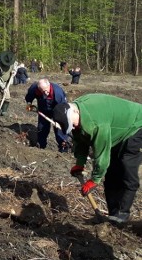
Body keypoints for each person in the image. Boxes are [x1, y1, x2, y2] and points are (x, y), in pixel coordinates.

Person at [52, 96, 142, 224]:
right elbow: (81, 140)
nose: (73, 127)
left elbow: (101, 154)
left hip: (137, 126)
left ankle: (122, 214)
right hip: (119, 132)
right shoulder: (77, 114)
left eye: (73, 123)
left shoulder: (96, 123)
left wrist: (94, 179)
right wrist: (80, 163)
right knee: (112, 173)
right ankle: (113, 216)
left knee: (127, 167)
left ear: (75, 111)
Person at [25, 78, 68, 151]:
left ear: (49, 85)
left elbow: (62, 108)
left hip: (58, 110)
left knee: (59, 129)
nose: (45, 93)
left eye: (46, 90)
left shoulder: (58, 93)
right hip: (43, 110)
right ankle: (41, 146)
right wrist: (29, 104)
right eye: (42, 91)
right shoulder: (34, 88)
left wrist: (58, 120)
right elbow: (29, 96)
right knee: (42, 128)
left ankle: (63, 147)